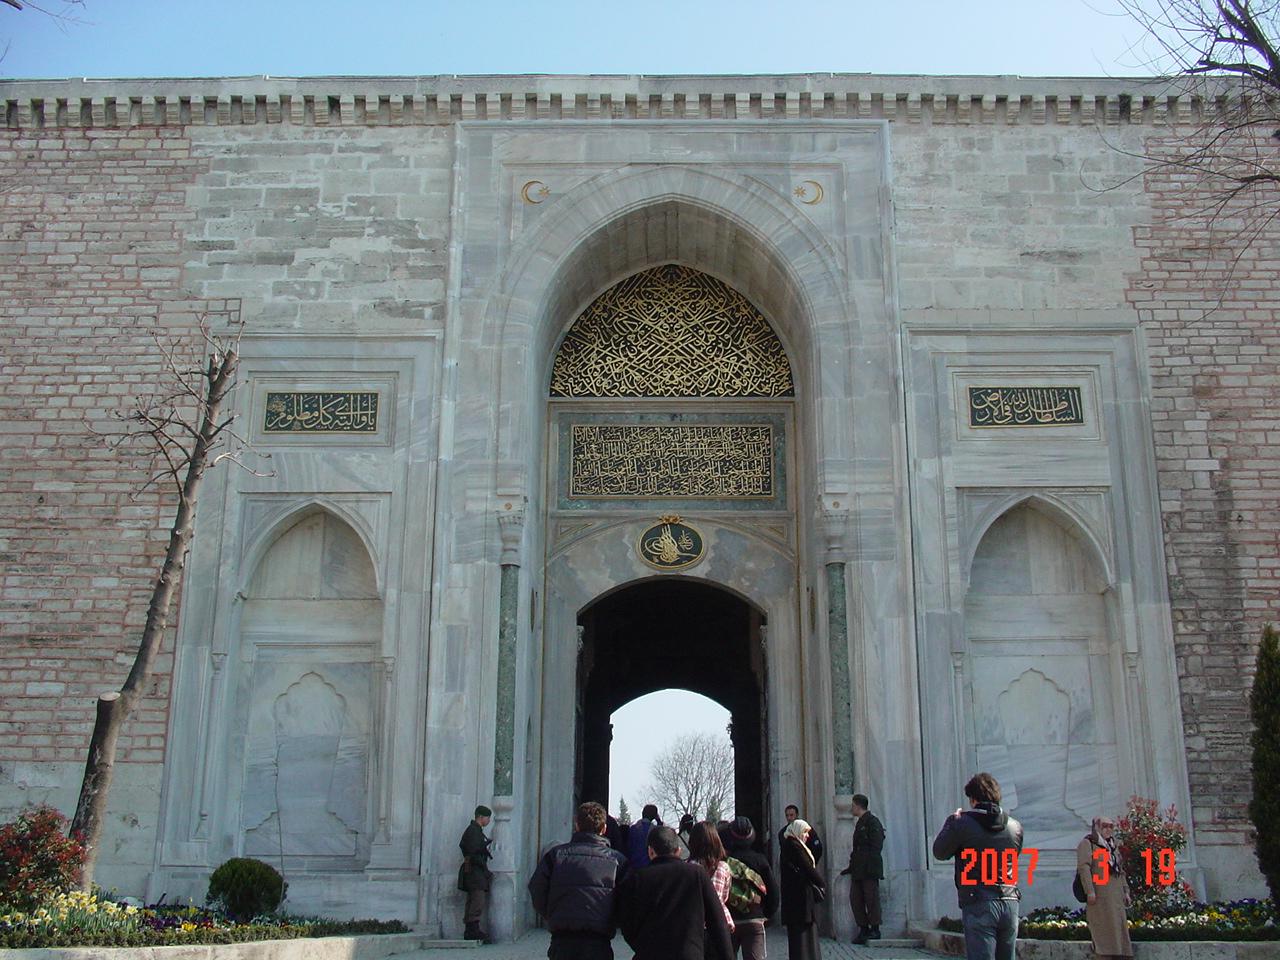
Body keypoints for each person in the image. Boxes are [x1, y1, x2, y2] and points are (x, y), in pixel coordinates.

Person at [932, 773, 1024, 960]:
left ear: (973, 800)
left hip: (978, 900)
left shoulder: (962, 823)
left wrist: (951, 822)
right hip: (1010, 900)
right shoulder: (1015, 826)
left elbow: (940, 852)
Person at [528, 800, 630, 960]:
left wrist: (551, 914)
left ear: (576, 825)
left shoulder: (555, 856)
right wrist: (613, 919)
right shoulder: (618, 861)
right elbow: (628, 900)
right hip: (599, 942)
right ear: (604, 829)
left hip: (562, 940)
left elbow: (537, 888)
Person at [616, 824, 734, 960]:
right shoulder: (697, 874)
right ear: (678, 851)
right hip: (689, 954)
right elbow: (717, 922)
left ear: (650, 851)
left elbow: (627, 924)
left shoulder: (637, 879)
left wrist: (642, 946)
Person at [1076, 816, 1133, 959]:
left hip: (1116, 896)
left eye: (1111, 826)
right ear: (1097, 827)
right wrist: (1090, 891)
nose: (1108, 830)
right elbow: (1084, 868)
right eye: (1105, 826)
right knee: (1103, 933)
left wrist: (1126, 891)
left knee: (1119, 934)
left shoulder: (1113, 846)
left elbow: (1120, 871)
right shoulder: (1088, 843)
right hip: (1100, 896)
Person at [723, 816, 778, 960]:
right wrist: (765, 913)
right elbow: (773, 893)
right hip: (754, 918)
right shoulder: (760, 860)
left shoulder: (724, 862)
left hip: (730, 920)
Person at [839, 793, 885, 945]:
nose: (851, 809)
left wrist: (869, 866)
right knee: (856, 899)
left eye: (853, 806)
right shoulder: (860, 823)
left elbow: (876, 846)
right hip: (858, 869)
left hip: (869, 869)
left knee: (871, 899)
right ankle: (863, 929)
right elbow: (857, 849)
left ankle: (875, 928)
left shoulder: (872, 822)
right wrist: (851, 867)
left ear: (858, 806)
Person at [779, 818, 825, 960]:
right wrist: (821, 883)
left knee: (803, 935)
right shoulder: (793, 845)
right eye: (804, 832)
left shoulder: (791, 844)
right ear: (797, 831)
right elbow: (807, 867)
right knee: (801, 936)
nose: (807, 836)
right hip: (799, 899)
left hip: (798, 898)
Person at [687, 820, 735, 942]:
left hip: (693, 925)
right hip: (720, 923)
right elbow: (724, 897)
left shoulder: (687, 868)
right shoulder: (723, 867)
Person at [458, 804, 494, 942]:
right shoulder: (473, 831)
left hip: (475, 869)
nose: (488, 820)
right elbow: (472, 852)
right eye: (487, 818)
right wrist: (484, 868)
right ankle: (472, 930)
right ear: (481, 817)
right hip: (475, 870)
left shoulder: (475, 830)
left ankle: (471, 929)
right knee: (477, 899)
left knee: (474, 898)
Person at [627, 804, 662, 868]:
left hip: (634, 864)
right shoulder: (654, 830)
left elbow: (629, 847)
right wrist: (659, 821)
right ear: (654, 816)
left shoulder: (633, 828)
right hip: (649, 864)